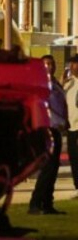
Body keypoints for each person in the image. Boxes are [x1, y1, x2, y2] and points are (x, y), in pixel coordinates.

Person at [29, 55, 68, 215]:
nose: (50, 67)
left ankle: (47, 203)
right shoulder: (42, 84)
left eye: (51, 64)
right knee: (48, 167)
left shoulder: (56, 84)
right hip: (48, 128)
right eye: (46, 64)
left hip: (57, 128)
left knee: (53, 168)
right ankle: (35, 203)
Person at [64, 55, 78, 197]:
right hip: (71, 127)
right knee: (74, 158)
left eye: (75, 64)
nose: (73, 67)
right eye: (71, 64)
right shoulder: (68, 85)